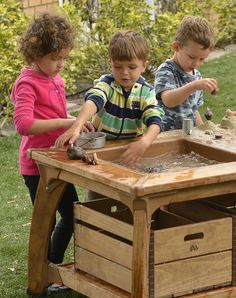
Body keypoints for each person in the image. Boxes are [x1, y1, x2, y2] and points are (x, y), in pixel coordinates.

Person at [10, 13, 78, 284]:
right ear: (35, 54)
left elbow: (55, 113)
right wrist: (67, 122)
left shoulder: (55, 79)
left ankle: (51, 267)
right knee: (46, 221)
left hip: (57, 160)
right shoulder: (27, 82)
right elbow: (23, 124)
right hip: (37, 167)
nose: (60, 64)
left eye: (64, 58)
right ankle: (42, 274)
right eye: (54, 58)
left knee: (72, 214)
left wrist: (75, 126)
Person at [55, 30, 164, 166]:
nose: (124, 73)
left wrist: (145, 141)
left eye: (132, 67)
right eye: (117, 67)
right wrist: (78, 125)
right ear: (111, 63)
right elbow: (93, 101)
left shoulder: (146, 92)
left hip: (129, 149)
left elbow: (155, 121)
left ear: (144, 66)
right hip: (99, 147)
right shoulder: (107, 84)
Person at [154, 15, 218, 131]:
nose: (196, 63)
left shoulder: (197, 76)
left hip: (188, 136)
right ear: (176, 47)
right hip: (166, 137)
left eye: (202, 59)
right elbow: (168, 100)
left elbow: (194, 110)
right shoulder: (166, 70)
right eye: (192, 57)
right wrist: (194, 85)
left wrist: (203, 130)